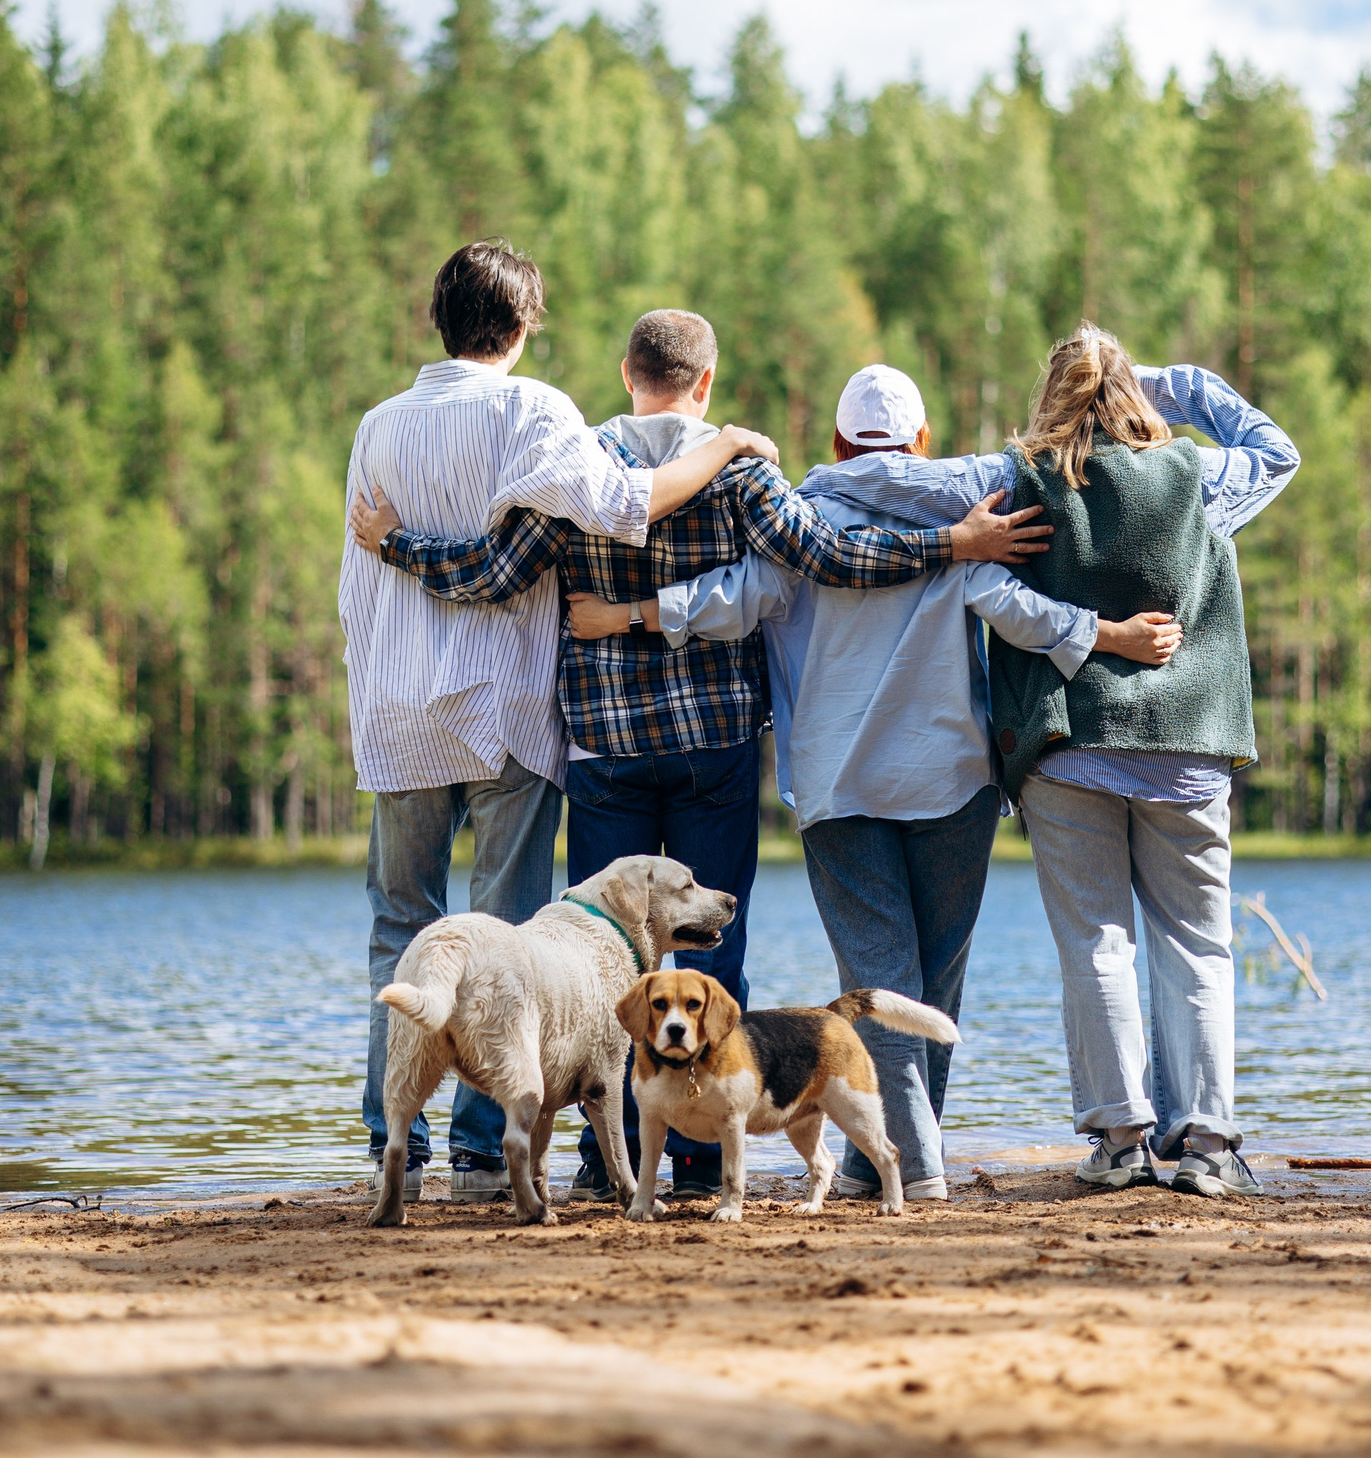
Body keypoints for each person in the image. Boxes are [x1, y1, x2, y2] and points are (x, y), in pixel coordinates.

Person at [349, 310, 1046, 1200]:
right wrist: (952, 542)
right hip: (713, 743)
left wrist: (393, 541)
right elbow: (827, 556)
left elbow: (490, 572)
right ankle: (702, 1153)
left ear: (627, 373)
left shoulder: (580, 462)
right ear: (706, 383)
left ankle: (609, 1160)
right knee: (711, 945)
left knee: (606, 959)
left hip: (606, 744)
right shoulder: (741, 468)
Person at [568, 361, 1182, 1204]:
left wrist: (627, 614)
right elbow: (1018, 606)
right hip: (953, 780)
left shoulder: (801, 521)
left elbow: (727, 598)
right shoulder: (969, 516)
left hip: (839, 786)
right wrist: (1107, 631)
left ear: (836, 441)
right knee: (930, 986)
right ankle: (911, 1156)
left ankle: (889, 1158)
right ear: (922, 440)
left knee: (882, 977)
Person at [804, 331, 1297, 1198]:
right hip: (1188, 746)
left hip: (1069, 746)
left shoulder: (1014, 477)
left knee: (1095, 943)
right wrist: (1174, 386)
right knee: (1199, 944)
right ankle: (1210, 1142)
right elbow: (1275, 450)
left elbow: (893, 479)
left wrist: (806, 488)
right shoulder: (1195, 480)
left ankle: (1121, 1139)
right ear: (1136, 395)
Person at [337, 246, 774, 1200]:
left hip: (401, 710)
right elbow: (622, 505)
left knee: (397, 927)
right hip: (503, 711)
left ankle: (392, 1141)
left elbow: (357, 583)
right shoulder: (535, 411)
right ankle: (484, 1148)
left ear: (436, 318)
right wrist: (728, 443)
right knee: (505, 942)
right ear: (526, 324)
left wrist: (370, 686)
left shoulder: (377, 425)